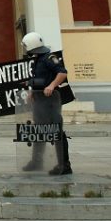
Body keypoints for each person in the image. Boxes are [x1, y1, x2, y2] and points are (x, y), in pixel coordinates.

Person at [20, 32, 72, 175]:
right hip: (40, 101)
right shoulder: (38, 59)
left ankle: (64, 165)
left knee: (56, 132)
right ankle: (37, 162)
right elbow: (39, 78)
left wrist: (52, 85)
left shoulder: (49, 58)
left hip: (50, 101)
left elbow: (62, 73)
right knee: (39, 131)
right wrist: (32, 91)